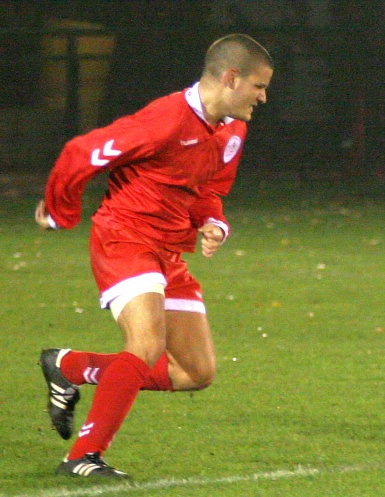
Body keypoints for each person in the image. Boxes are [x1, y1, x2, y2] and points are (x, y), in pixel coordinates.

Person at [35, 33, 274, 479]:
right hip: (124, 238)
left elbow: (209, 189)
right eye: (259, 86)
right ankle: (83, 456)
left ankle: (67, 366)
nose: (263, 97)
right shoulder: (164, 120)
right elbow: (81, 152)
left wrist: (213, 222)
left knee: (196, 373)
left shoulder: (233, 130)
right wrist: (60, 210)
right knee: (145, 345)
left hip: (168, 251)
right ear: (231, 78)